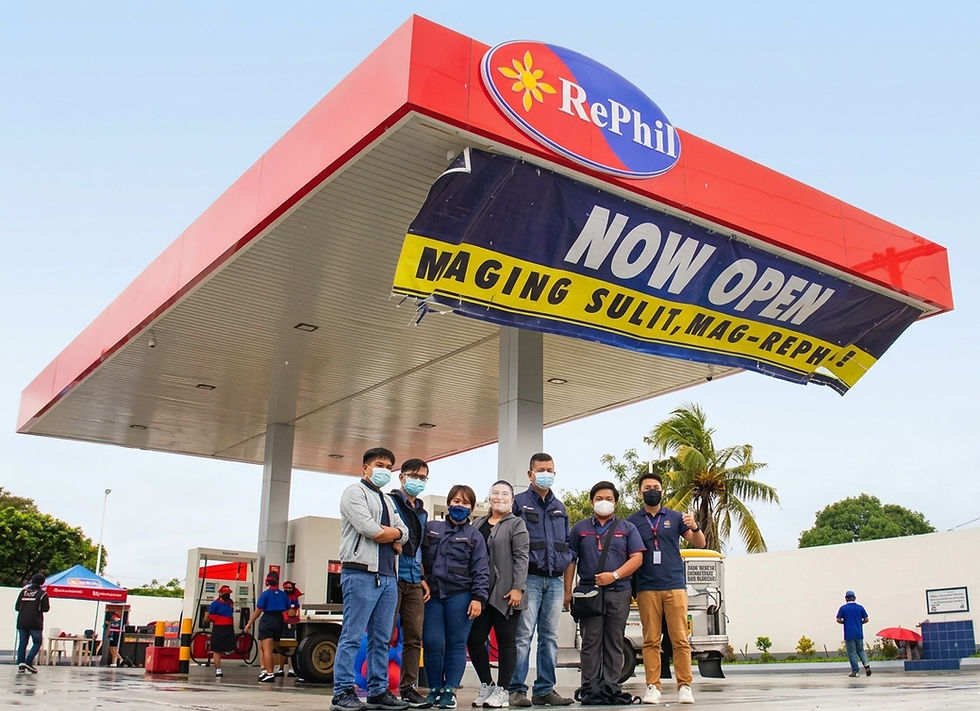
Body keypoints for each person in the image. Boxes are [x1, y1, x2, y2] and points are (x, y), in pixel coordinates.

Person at [331, 447, 410, 711]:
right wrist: (393, 535)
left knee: (381, 638)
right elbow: (369, 529)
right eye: (379, 465)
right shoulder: (354, 493)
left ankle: (378, 691)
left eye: (389, 467)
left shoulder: (388, 500)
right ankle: (342, 691)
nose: (384, 471)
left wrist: (394, 534)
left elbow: (405, 532)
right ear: (365, 467)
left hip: (388, 577)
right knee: (352, 635)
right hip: (360, 573)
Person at [627, 472, 706, 705]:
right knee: (651, 640)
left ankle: (685, 686)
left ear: (662, 491)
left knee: (680, 638)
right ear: (640, 493)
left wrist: (696, 526)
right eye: (647, 487)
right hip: (646, 587)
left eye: (656, 487)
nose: (652, 490)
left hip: (674, 585)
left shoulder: (676, 518)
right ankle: (653, 686)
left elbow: (699, 543)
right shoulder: (632, 522)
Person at [565, 481, 644, 694]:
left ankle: (611, 686)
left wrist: (614, 575)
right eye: (599, 499)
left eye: (609, 499)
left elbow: (637, 558)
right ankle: (589, 687)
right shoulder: (580, 528)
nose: (604, 502)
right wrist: (567, 593)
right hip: (588, 593)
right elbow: (570, 561)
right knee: (590, 641)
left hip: (619, 591)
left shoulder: (627, 528)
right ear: (591, 502)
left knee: (614, 639)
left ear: (616, 503)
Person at [509, 453, 574, 707]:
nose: (546, 473)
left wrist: (567, 588)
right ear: (530, 474)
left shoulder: (561, 507)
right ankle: (516, 690)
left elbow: (567, 546)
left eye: (550, 470)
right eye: (541, 469)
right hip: (529, 580)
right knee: (523, 636)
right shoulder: (519, 503)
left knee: (550, 637)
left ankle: (545, 689)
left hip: (555, 581)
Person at [421, 485, 490, 710]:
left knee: (456, 644)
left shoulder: (475, 536)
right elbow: (417, 555)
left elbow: (481, 570)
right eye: (456, 501)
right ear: (449, 503)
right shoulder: (431, 528)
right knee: (431, 642)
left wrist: (478, 598)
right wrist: (420, 578)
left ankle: (450, 690)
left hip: (460, 596)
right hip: (433, 595)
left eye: (465, 502)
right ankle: (434, 689)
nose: (460, 506)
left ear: (471, 507)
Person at [467, 481, 529, 709]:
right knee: (474, 639)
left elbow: (522, 557)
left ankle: (504, 689)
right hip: (481, 592)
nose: (499, 497)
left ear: (512, 500)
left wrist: (518, 587)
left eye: (505, 494)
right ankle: (487, 684)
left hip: (506, 593)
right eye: (495, 493)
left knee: (506, 641)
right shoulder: (478, 523)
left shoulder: (517, 524)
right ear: (489, 497)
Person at [389, 458, 432, 708]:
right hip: (391, 577)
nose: (418, 480)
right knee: (384, 634)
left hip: (415, 579)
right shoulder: (389, 502)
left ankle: (408, 688)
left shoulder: (422, 512)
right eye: (414, 475)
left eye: (423, 477)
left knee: (414, 637)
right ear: (402, 477)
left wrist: (423, 577)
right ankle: (379, 687)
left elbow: (419, 548)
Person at [243, 571, 291, 682]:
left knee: (266, 649)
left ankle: (269, 673)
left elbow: (258, 611)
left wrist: (249, 623)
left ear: (267, 582)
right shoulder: (283, 595)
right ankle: (267, 670)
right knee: (272, 648)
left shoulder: (265, 594)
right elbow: (288, 609)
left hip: (268, 619)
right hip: (279, 621)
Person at [15, 573, 50, 673]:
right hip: (35, 623)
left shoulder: (23, 592)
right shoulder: (43, 594)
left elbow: (17, 607)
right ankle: (28, 661)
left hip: (21, 622)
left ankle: (21, 664)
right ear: (42, 583)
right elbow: (45, 609)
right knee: (37, 642)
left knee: (22, 643)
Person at [836, 590, 871, 677]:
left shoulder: (843, 608)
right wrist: (859, 623)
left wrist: (845, 622)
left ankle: (855, 671)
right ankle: (866, 664)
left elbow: (838, 619)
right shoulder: (860, 608)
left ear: (846, 598)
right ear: (855, 598)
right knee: (861, 650)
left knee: (852, 652)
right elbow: (866, 619)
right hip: (859, 633)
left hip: (849, 633)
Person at [208, 584, 237, 677]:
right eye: (225, 593)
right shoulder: (214, 604)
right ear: (220, 593)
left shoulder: (230, 603)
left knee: (231, 647)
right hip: (218, 628)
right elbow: (210, 616)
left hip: (229, 628)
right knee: (216, 650)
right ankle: (218, 670)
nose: (227, 595)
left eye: (228, 593)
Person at [279, 580, 303, 677]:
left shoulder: (295, 597)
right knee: (282, 647)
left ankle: (291, 668)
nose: (288, 589)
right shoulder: (281, 597)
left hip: (293, 624)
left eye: (290, 587)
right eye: (286, 588)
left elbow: (293, 612)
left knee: (292, 647)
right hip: (283, 623)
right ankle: (280, 668)